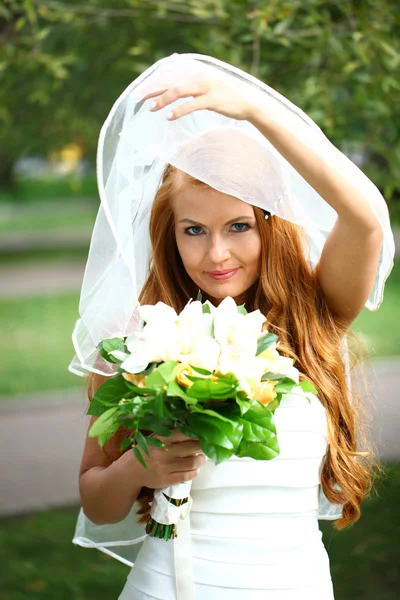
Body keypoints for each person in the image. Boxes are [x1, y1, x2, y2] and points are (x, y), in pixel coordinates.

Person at [70, 54, 394, 599]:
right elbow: (98, 503)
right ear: (168, 233)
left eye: (238, 226)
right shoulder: (140, 340)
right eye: (193, 230)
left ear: (271, 222)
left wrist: (255, 112)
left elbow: (365, 216)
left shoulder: (315, 316)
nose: (216, 253)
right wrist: (139, 467)